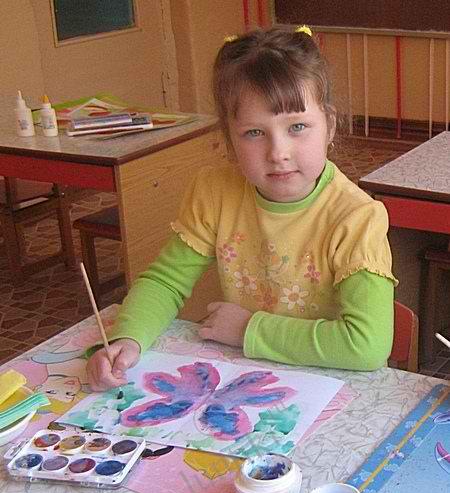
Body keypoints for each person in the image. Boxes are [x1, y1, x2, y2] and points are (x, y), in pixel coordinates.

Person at [87, 25, 397, 391]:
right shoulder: (214, 191)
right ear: (229, 140)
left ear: (329, 126)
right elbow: (165, 282)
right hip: (243, 379)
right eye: (254, 133)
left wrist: (248, 329)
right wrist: (128, 338)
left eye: (297, 126)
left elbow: (367, 345)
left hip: (329, 388)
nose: (278, 152)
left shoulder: (357, 218)